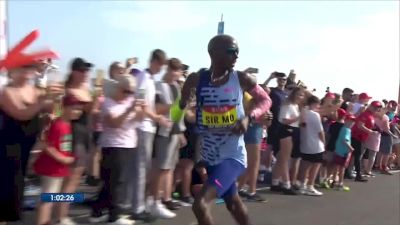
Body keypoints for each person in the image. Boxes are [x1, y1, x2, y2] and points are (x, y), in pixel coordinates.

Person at [176, 34, 272, 225]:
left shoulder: (242, 79)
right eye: (231, 51)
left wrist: (248, 118)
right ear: (213, 53)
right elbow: (176, 111)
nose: (236, 55)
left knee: (200, 205)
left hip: (232, 157)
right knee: (233, 203)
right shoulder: (197, 79)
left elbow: (265, 100)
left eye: (237, 51)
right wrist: (180, 109)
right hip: (209, 156)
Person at [0, 63, 53, 223]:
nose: (26, 72)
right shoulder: (6, 92)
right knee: (9, 181)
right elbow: (21, 113)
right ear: (12, 72)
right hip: (9, 144)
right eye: (22, 68)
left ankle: (12, 215)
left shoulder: (37, 91)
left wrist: (55, 102)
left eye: (29, 68)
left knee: (20, 180)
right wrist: (41, 103)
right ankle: (7, 217)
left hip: (28, 143)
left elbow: (55, 112)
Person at [90, 74, 145, 225]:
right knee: (116, 183)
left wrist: (141, 111)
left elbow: (138, 120)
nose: (128, 95)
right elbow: (114, 123)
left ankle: (97, 210)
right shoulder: (108, 102)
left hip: (129, 144)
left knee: (112, 182)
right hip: (113, 145)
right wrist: (129, 110)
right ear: (118, 88)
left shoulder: (129, 101)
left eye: (131, 92)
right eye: (126, 91)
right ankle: (114, 217)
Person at [130, 49, 171, 221]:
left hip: (149, 127)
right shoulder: (142, 78)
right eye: (160, 65)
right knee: (140, 169)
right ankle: (137, 208)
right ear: (153, 61)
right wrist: (157, 117)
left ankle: (139, 204)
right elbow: (139, 103)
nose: (161, 69)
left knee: (144, 168)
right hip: (142, 127)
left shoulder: (151, 80)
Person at [57, 58, 96, 225]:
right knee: (70, 180)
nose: (86, 73)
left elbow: (91, 112)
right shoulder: (69, 91)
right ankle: (60, 216)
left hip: (85, 135)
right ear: (74, 71)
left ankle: (60, 213)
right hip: (73, 136)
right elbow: (71, 114)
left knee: (73, 179)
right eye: (82, 70)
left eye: (87, 70)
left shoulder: (86, 89)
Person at [34, 95, 81, 225]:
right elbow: (46, 145)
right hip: (51, 168)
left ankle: (51, 220)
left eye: (79, 109)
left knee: (52, 197)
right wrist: (63, 159)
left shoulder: (67, 124)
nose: (78, 112)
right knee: (47, 199)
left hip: (59, 168)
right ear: (65, 108)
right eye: (75, 109)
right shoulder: (57, 125)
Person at [150, 58, 186, 218]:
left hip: (174, 132)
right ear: (167, 69)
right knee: (161, 168)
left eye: (178, 70)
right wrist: (175, 105)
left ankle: (165, 198)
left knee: (169, 168)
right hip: (162, 132)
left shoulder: (177, 87)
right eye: (173, 70)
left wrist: (180, 132)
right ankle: (153, 201)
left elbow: (178, 115)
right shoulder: (158, 86)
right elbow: (157, 108)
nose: (175, 73)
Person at [271, 87, 305, 195]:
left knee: (282, 158)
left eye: (302, 95)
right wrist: (298, 117)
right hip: (286, 130)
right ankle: (286, 184)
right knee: (285, 159)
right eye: (299, 94)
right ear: (293, 95)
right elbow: (284, 120)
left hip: (294, 130)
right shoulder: (287, 105)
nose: (301, 97)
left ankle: (275, 182)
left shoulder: (296, 106)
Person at [297, 95, 325, 196]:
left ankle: (302, 185)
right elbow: (320, 131)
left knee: (304, 165)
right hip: (316, 145)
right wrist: (324, 143)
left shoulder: (302, 112)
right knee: (315, 166)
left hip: (305, 143)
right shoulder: (314, 115)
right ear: (314, 104)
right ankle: (310, 186)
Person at [263, 72, 288, 172]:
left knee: (279, 146)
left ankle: (274, 168)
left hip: (283, 123)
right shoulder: (273, 91)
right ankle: (266, 167)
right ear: (277, 80)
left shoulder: (287, 94)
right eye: (280, 79)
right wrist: (270, 78)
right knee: (270, 145)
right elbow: (262, 89)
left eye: (284, 79)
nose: (282, 81)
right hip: (273, 121)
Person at [351, 100, 382, 182]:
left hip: (362, 138)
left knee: (357, 156)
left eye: (378, 108)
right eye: (375, 107)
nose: (376, 109)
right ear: (371, 106)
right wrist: (371, 132)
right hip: (357, 136)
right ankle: (357, 175)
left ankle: (353, 173)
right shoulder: (365, 114)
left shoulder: (371, 115)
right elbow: (360, 125)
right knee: (357, 156)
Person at [323, 108, 347, 186]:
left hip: (331, 145)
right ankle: (330, 178)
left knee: (328, 163)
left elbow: (328, 136)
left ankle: (326, 177)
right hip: (338, 147)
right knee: (334, 164)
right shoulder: (344, 127)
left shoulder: (333, 125)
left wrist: (325, 145)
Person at [333, 115, 356, 191]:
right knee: (341, 168)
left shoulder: (345, 129)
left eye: (353, 121)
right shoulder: (346, 130)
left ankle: (334, 181)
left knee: (337, 167)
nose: (352, 123)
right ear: (346, 121)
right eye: (350, 121)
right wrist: (351, 148)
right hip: (343, 152)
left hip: (339, 151)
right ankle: (340, 183)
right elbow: (344, 140)